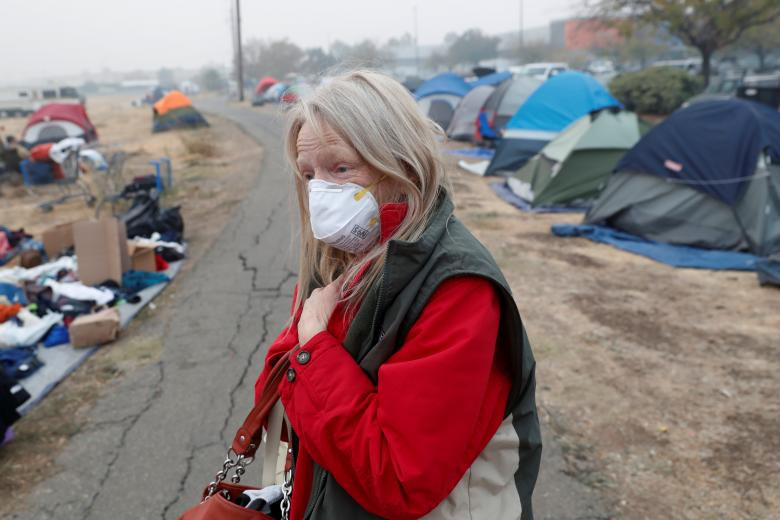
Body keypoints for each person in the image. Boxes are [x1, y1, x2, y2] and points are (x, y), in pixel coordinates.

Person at [255, 70, 541, 520]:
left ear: (401, 164)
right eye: (309, 174)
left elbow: (397, 479)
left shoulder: (457, 289)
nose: (321, 191)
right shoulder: (339, 257)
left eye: (342, 168)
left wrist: (313, 346)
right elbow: (277, 387)